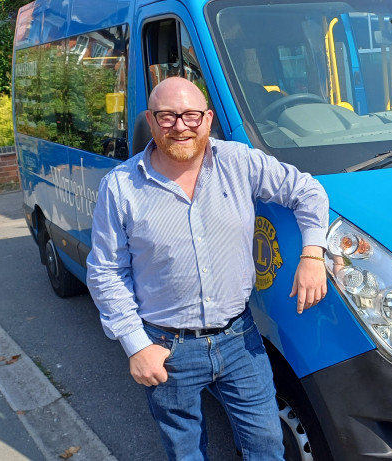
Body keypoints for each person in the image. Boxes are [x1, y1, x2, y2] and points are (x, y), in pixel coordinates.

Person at [86, 76, 329, 460]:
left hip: (240, 339)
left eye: (191, 116)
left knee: (266, 445)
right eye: (167, 116)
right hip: (165, 346)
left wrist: (313, 254)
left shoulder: (239, 161)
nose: (180, 126)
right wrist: (136, 346)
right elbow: (106, 271)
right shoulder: (120, 187)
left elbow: (308, 191)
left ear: (208, 119)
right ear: (150, 121)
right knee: (186, 453)